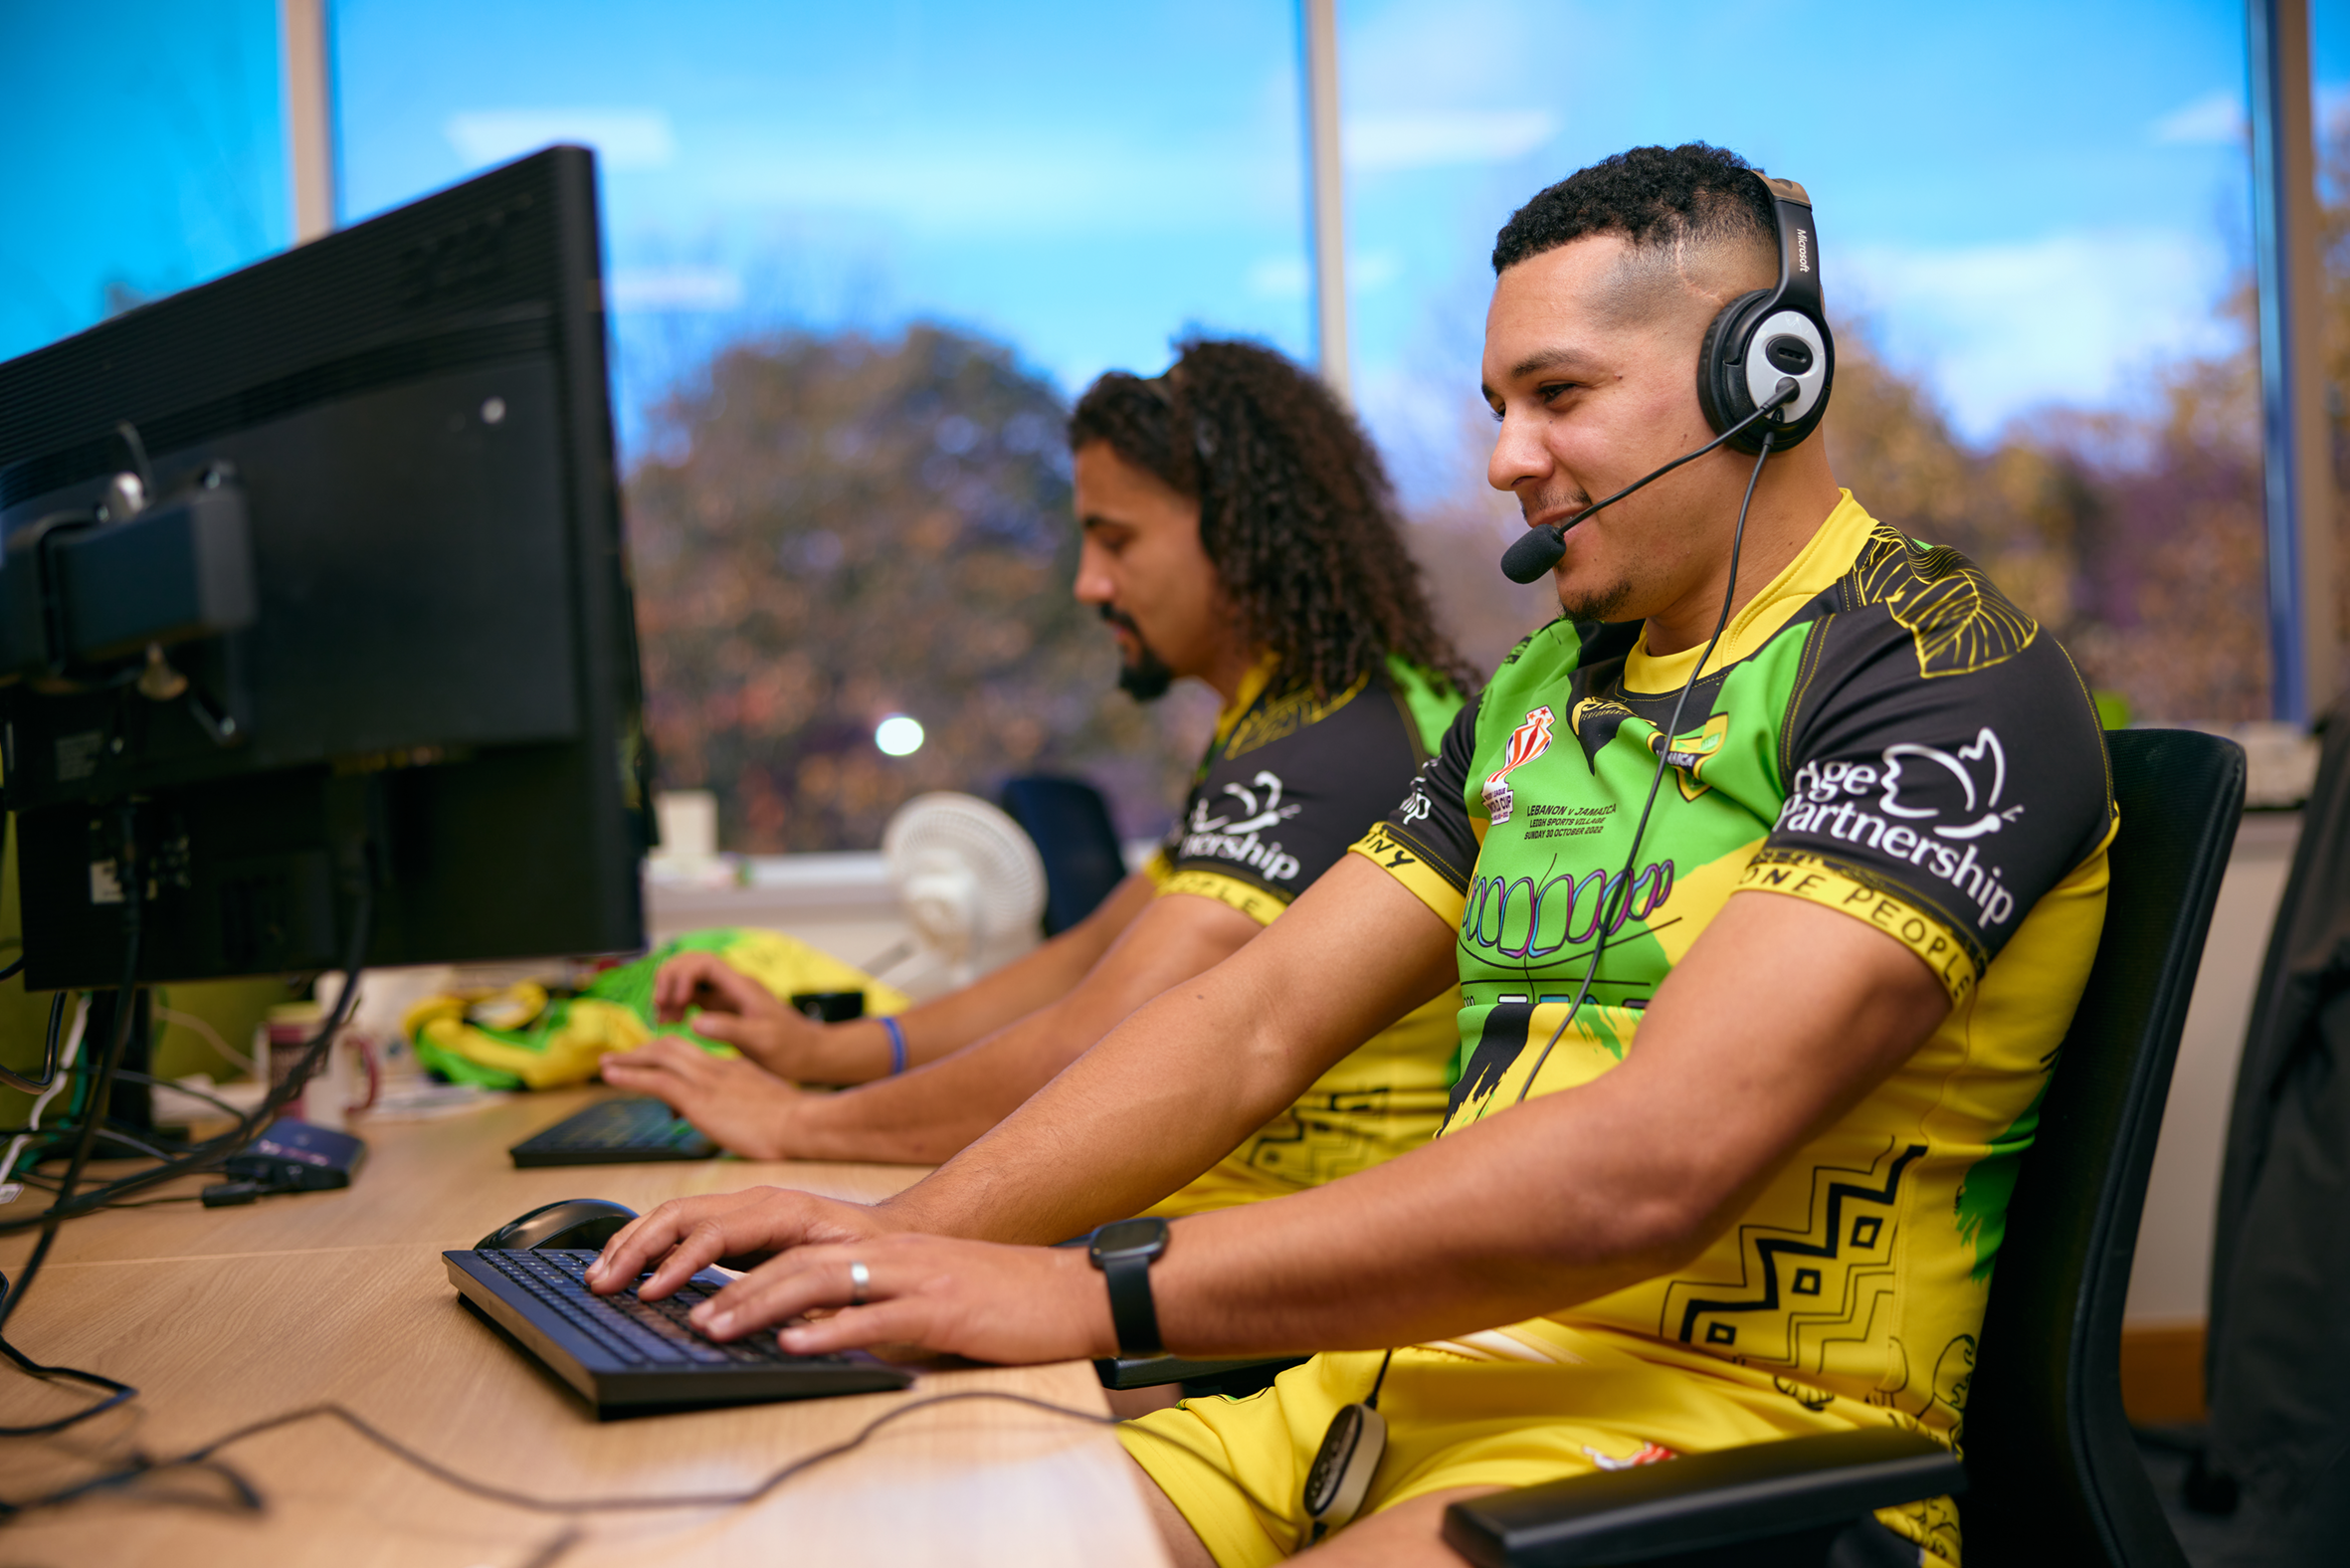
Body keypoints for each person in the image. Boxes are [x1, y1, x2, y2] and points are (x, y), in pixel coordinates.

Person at [588, 144, 2113, 1568]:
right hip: (1388, 1385)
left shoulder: (1934, 671)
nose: (1507, 455)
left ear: (1765, 376)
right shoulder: (1538, 695)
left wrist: (1082, 1289)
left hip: (1729, 1449)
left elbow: (1646, 1169)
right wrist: (884, 1246)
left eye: (1558, 393)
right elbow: (1249, 1021)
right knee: (849, 1530)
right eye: (1494, 401)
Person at [601, 337, 1475, 1217]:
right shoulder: (1297, 712)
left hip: (1273, 1233)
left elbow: (1099, 1034)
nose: (1089, 584)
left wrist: (798, 1127)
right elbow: (1088, 957)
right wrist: (823, 1057)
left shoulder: (1334, 744)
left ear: (1244, 533)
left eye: (1116, 541)